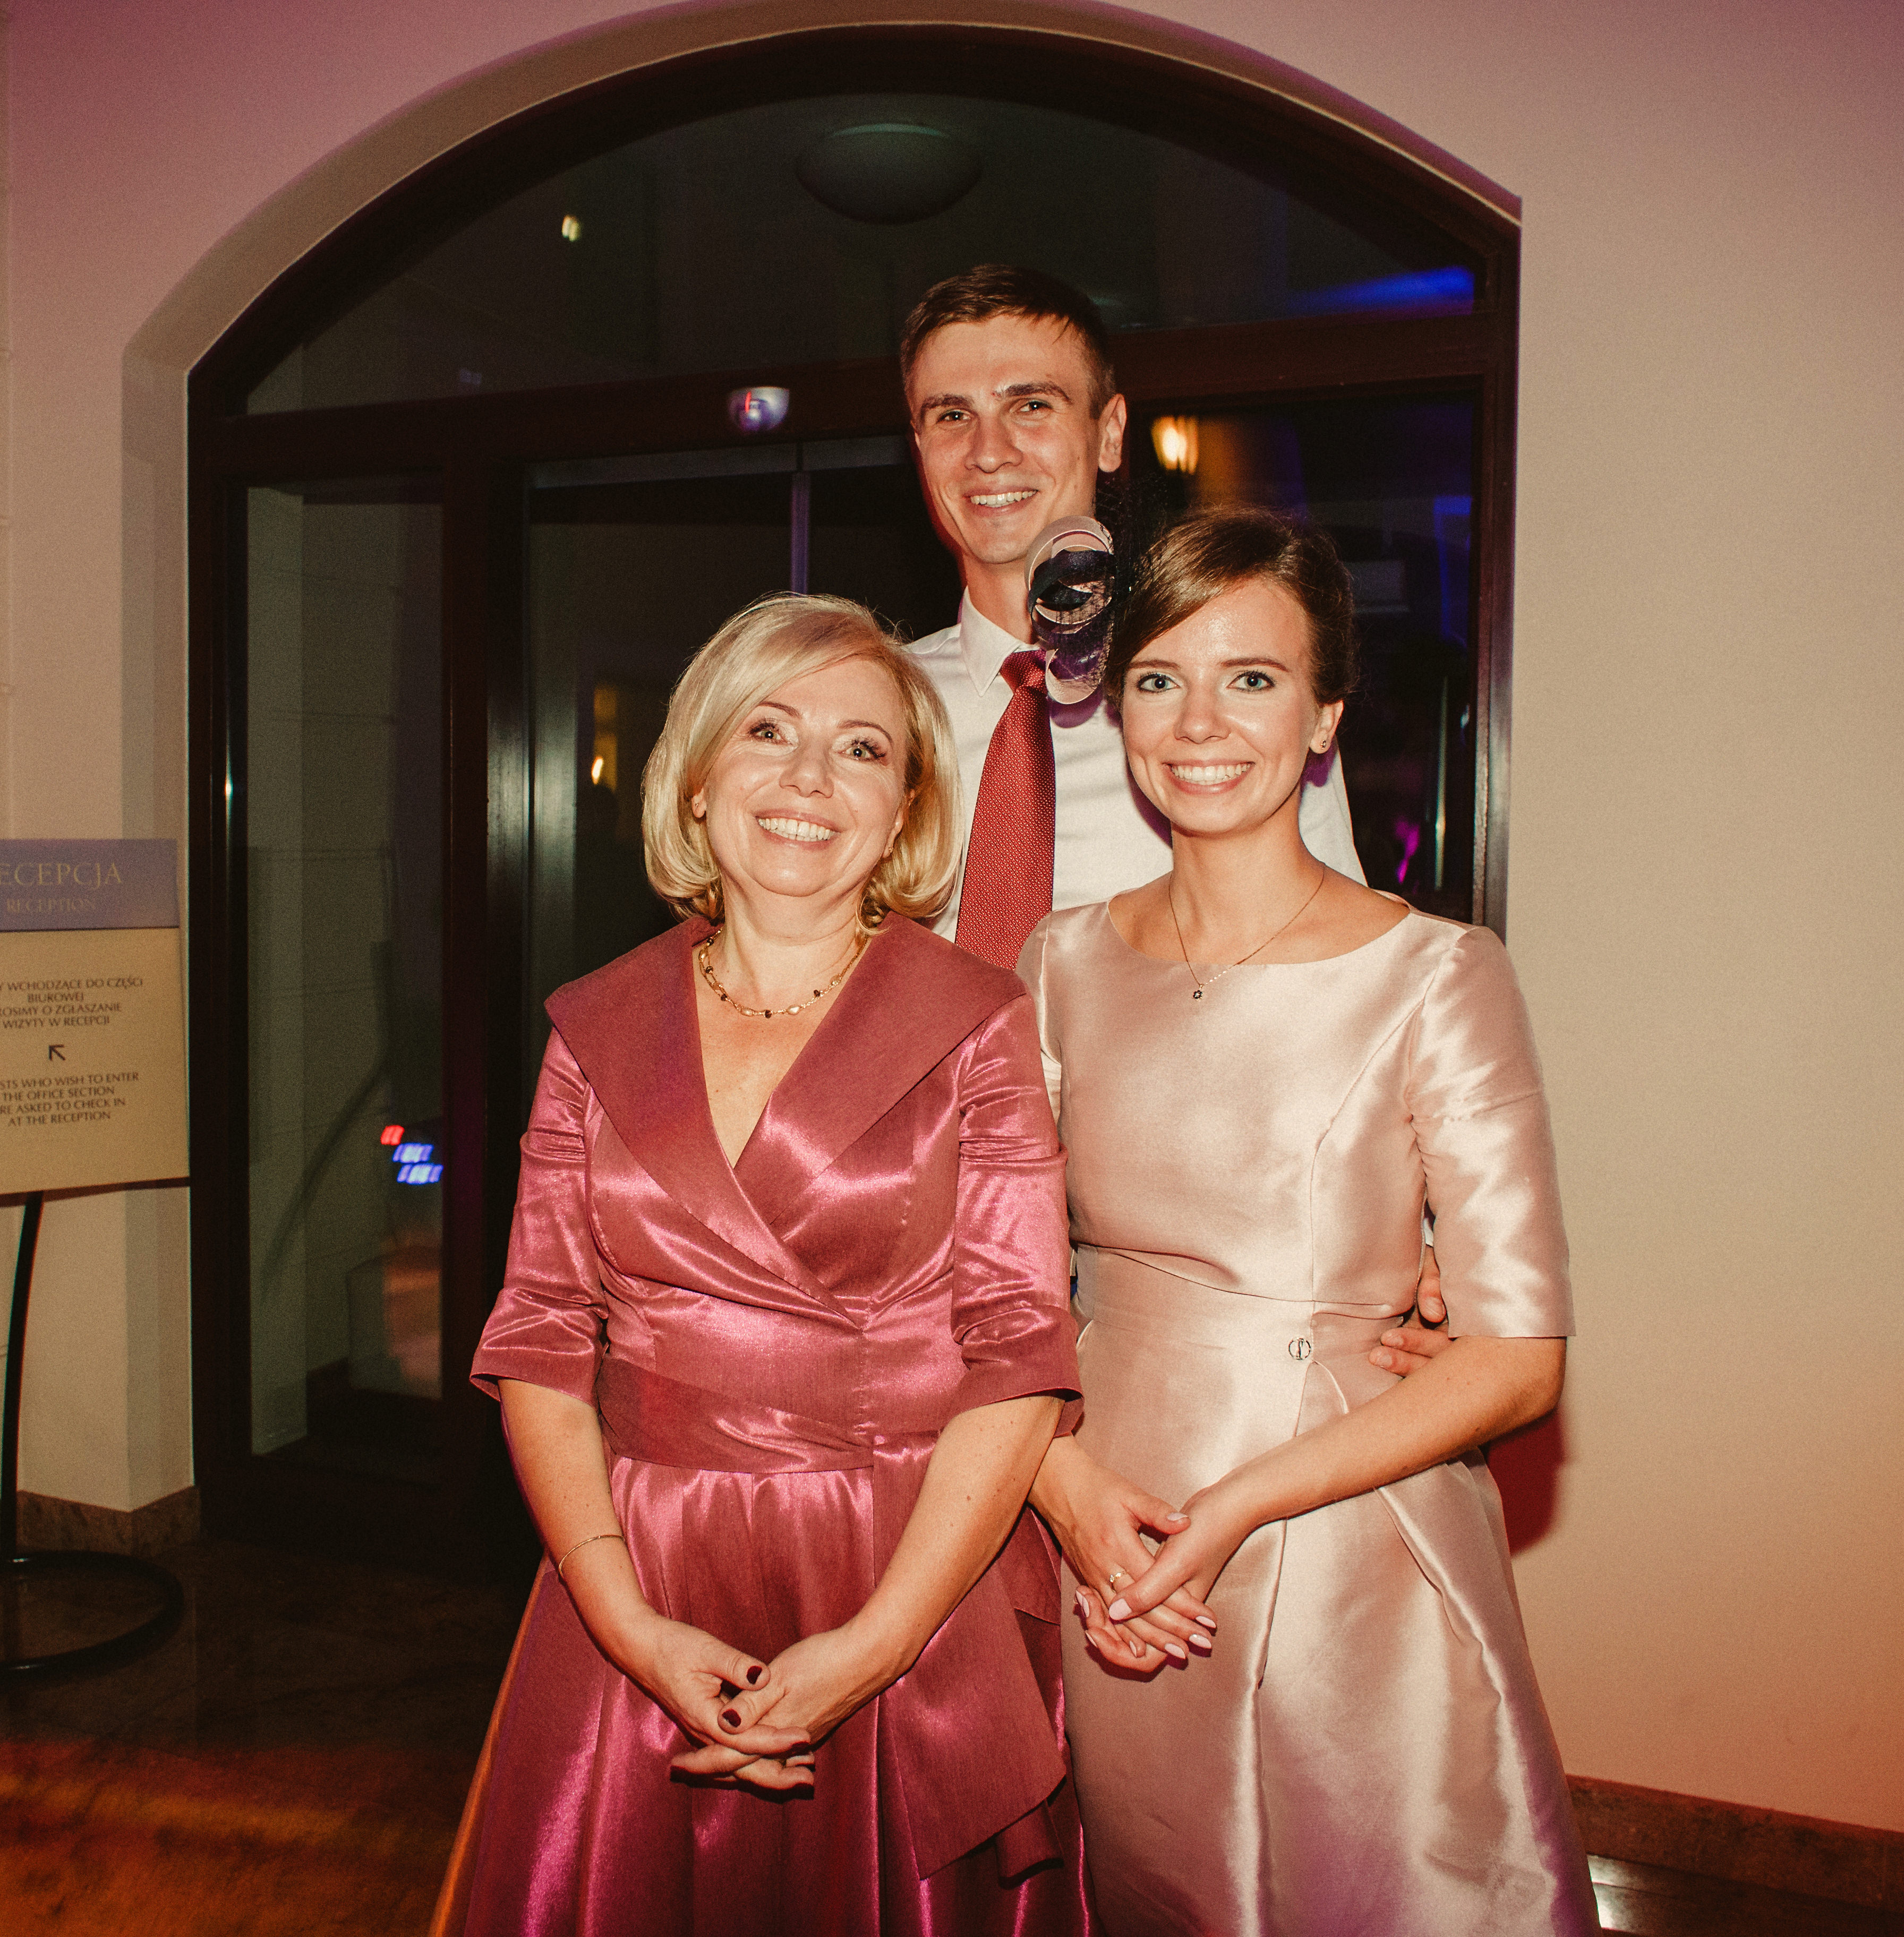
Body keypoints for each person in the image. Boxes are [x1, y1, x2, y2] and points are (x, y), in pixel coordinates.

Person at [443, 594, 1086, 1936]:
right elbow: (544, 1337)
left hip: (902, 1573)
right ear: (697, 774)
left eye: (862, 750)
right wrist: (626, 1621)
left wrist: (876, 1646)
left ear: (904, 810)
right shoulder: (594, 1026)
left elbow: (1022, 1357)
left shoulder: (976, 1023)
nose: (810, 778)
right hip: (636, 1576)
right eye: (769, 731)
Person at [1018, 506, 1595, 1936]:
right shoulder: (1060, 961)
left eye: (1254, 679)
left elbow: (1517, 1357)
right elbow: (988, 1288)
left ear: (1326, 714)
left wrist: (1238, 1506)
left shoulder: (1438, 974)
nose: (1199, 723)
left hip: (1344, 1540)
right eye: (1160, 678)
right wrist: (1066, 1489)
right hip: (1102, 1524)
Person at [894, 263, 1360, 973]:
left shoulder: (1229, 712)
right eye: (952, 416)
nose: (989, 452)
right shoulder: (871, 709)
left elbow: (1338, 964)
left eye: (1032, 406)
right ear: (920, 448)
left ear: (1110, 432)